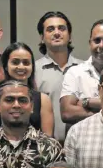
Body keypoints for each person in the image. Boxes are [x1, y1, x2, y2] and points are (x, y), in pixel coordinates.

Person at [0, 42, 54, 136]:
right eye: (15, 62)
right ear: (6, 66)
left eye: (26, 63)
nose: (21, 67)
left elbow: (48, 140)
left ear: (32, 67)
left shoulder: (43, 100)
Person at [35, 11, 83, 143]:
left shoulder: (85, 69)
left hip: (81, 147)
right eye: (50, 29)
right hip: (45, 149)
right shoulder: (32, 71)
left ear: (70, 36)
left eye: (61, 28)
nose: (57, 33)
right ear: (42, 38)